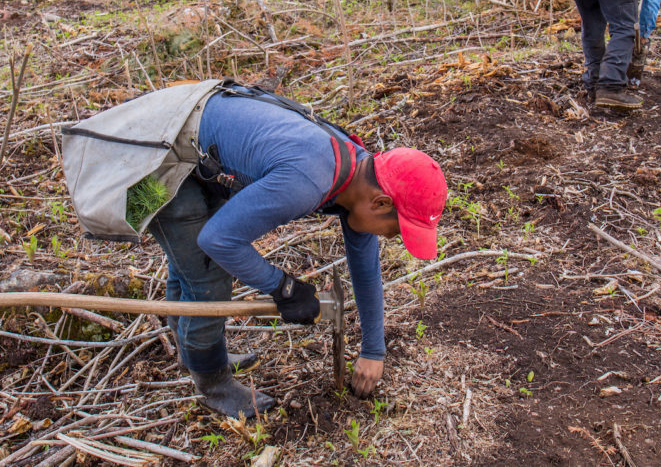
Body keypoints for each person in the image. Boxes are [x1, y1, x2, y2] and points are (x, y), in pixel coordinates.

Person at [63, 80, 448, 419]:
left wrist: (373, 352)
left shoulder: (359, 176)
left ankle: (192, 350)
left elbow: (365, 273)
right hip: (156, 157)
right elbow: (217, 240)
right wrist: (281, 286)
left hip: (196, 150)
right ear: (380, 203)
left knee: (192, 266)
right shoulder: (307, 178)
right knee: (206, 276)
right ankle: (212, 383)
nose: (391, 238)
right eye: (395, 230)